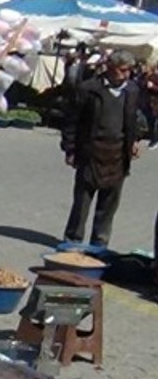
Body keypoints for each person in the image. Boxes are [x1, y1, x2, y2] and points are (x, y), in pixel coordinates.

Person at [60, 50, 141, 248]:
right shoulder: (89, 89)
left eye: (129, 70)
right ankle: (73, 240)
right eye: (122, 70)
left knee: (109, 205)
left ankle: (99, 244)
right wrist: (70, 149)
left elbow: (132, 119)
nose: (126, 74)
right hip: (91, 152)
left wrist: (134, 141)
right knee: (82, 202)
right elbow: (72, 121)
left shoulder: (131, 90)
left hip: (118, 154)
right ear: (110, 68)